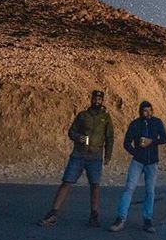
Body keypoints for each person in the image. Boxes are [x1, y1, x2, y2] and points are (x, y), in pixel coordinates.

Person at [38, 89, 114, 228]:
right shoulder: (82, 115)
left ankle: (94, 215)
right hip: (79, 154)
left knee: (95, 185)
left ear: (102, 101)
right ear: (91, 99)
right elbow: (71, 131)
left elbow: (109, 137)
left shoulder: (106, 118)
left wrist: (108, 155)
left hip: (95, 155)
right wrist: (78, 137)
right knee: (66, 182)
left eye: (99, 99)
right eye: (94, 98)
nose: (97, 101)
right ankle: (53, 213)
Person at [109, 100, 166, 233]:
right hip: (138, 161)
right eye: (144, 111)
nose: (147, 113)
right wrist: (136, 152)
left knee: (150, 191)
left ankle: (147, 220)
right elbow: (126, 143)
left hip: (152, 162)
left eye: (149, 110)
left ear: (152, 111)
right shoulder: (135, 124)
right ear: (140, 112)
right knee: (129, 188)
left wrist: (151, 142)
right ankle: (121, 218)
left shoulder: (157, 122)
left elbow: (164, 139)